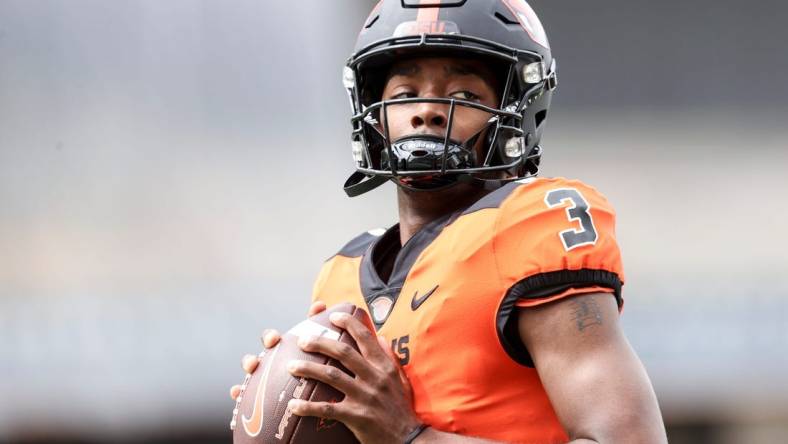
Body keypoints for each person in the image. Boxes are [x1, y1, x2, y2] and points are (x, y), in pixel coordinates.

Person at [231, 1, 667, 443]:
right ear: (374, 114)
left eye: (463, 96)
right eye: (404, 95)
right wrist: (285, 409)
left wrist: (410, 434)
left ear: (518, 113)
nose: (428, 110)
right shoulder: (340, 277)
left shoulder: (530, 227)